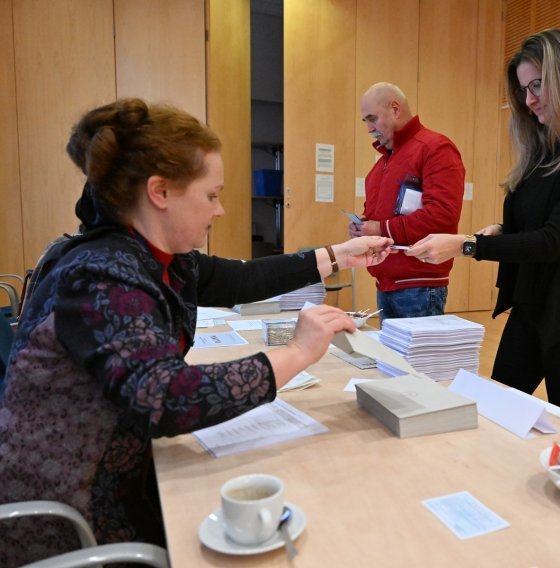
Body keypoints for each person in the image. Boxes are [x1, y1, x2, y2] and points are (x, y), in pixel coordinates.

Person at [0, 98, 392, 565]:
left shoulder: (157, 256)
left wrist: (339, 255)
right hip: (77, 516)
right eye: (211, 195)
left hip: (120, 477)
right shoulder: (101, 274)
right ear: (160, 191)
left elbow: (241, 279)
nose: (221, 209)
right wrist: (297, 352)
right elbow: (162, 397)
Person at [405, 29, 560, 419]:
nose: (529, 101)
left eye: (537, 86)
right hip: (532, 303)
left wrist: (467, 245)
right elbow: (536, 225)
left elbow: (552, 241)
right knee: (497, 410)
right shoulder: (542, 156)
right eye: (523, 90)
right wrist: (500, 230)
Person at [348, 82, 465, 319]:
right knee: (390, 357)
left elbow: (442, 216)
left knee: (416, 358)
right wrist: (363, 226)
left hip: (420, 285)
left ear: (395, 108)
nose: (369, 128)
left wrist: (380, 228)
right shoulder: (381, 164)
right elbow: (379, 215)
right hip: (386, 283)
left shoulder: (435, 148)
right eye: (366, 122)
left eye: (372, 119)